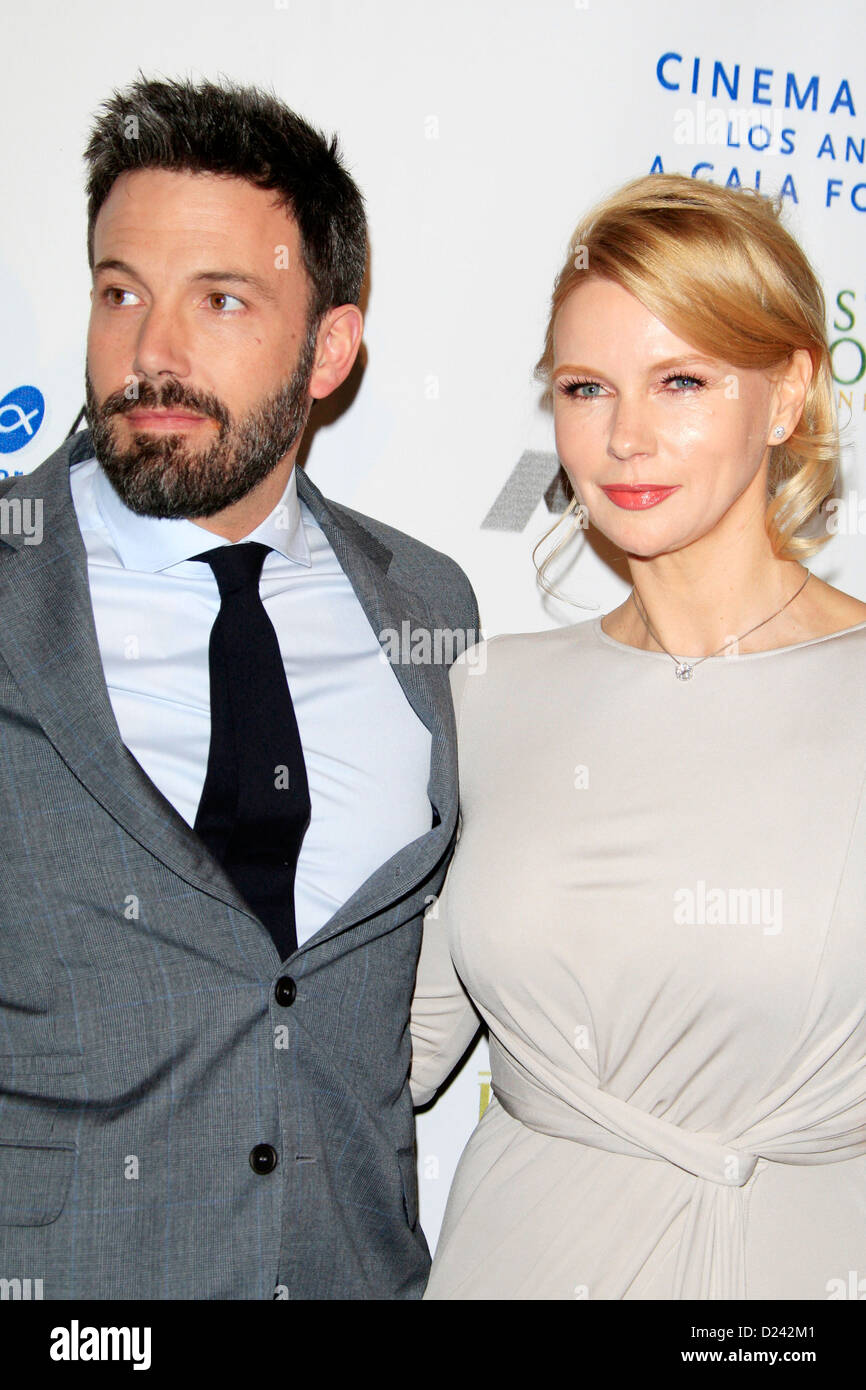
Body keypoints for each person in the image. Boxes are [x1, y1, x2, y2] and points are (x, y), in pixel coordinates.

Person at [0, 73, 478, 1300]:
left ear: (329, 349)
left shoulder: (427, 611)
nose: (150, 353)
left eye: (220, 300)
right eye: (121, 294)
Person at [409, 172, 866, 1300]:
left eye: (679, 381)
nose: (622, 438)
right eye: (583, 387)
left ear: (784, 393)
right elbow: (390, 1048)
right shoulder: (488, 693)